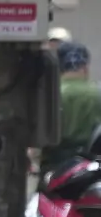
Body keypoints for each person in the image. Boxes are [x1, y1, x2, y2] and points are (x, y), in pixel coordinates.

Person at [41, 41, 101, 170]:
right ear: (85, 66)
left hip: (53, 165)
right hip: (89, 167)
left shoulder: (49, 94)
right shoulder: (97, 93)